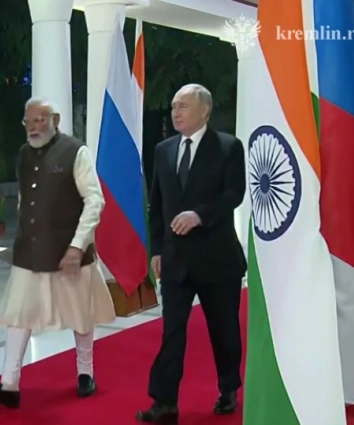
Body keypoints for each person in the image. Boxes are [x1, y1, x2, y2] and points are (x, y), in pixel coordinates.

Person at [0, 97, 116, 408]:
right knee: (18, 313)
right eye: (28, 122)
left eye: (40, 120)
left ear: (56, 120)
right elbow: (25, 199)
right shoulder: (24, 154)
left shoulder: (76, 152)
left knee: (80, 313)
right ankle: (9, 384)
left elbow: (95, 201)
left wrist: (78, 245)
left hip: (70, 251)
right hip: (30, 250)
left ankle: (85, 373)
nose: (33, 127)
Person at [136, 84, 247, 424]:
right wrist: (156, 250)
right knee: (172, 332)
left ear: (205, 110)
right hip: (175, 261)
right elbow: (157, 205)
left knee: (224, 331)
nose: (176, 112)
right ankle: (165, 402)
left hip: (217, 259)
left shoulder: (228, 147)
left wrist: (200, 215)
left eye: (183, 106)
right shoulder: (164, 150)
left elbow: (234, 193)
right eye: (173, 106)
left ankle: (228, 388)